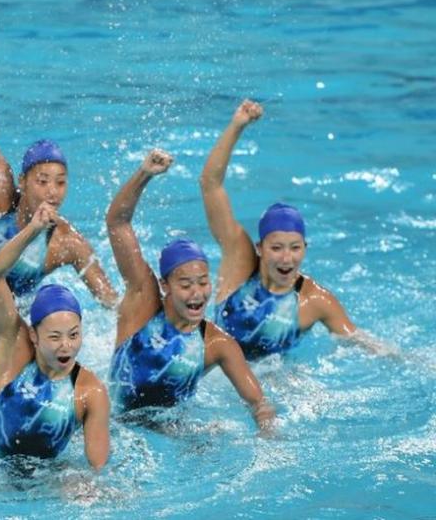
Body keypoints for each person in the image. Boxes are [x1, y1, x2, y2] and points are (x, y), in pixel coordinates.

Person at [199, 100, 392, 360]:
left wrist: (413, 361)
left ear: (305, 248)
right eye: (276, 248)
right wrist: (237, 126)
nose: (286, 258)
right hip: (219, 373)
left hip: (275, 376)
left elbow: (358, 340)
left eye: (295, 248)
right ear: (260, 248)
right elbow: (210, 184)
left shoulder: (315, 301)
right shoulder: (239, 260)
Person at [106, 149, 274, 430]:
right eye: (185, 284)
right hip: (117, 423)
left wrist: (269, 437)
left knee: (212, 436)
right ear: (165, 285)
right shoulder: (143, 303)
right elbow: (117, 222)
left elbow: (258, 402)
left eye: (203, 282)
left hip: (171, 428)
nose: (197, 293)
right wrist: (144, 174)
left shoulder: (216, 344)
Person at [0, 32, 117, 307]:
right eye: (42, 181)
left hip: (5, 323)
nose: (52, 192)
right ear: (23, 181)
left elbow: (112, 303)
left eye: (60, 183)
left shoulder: (65, 242)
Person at [0, 202, 110, 471]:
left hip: (48, 485)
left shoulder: (89, 391)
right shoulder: (13, 354)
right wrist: (33, 229)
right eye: (55, 337)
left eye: (74, 335)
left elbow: (98, 469)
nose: (66, 346)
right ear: (33, 335)